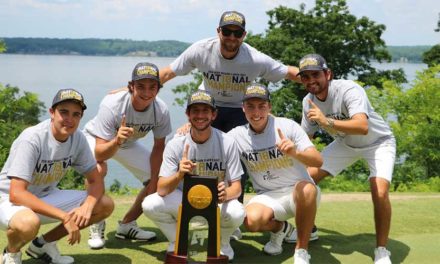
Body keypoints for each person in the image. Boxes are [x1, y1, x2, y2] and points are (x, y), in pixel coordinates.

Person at [161, 11, 302, 239]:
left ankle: (233, 220)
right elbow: (168, 72)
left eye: (237, 33)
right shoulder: (201, 50)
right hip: (208, 106)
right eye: (227, 31)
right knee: (195, 155)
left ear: (244, 35)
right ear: (219, 32)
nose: (231, 37)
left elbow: (288, 72)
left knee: (237, 165)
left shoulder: (254, 58)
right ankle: (197, 209)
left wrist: (321, 81)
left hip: (239, 109)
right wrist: (134, 89)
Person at [298, 54, 396, 264]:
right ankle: (309, 231)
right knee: (304, 180)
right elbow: (306, 140)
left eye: (315, 74)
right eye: (305, 76)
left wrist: (327, 122)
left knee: (379, 190)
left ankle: (381, 250)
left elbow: (362, 126)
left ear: (328, 74)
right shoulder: (308, 102)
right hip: (345, 144)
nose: (310, 80)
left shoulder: (349, 89)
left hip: (379, 142)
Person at [0, 89, 114, 264]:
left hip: (44, 195)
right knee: (28, 223)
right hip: (7, 200)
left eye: (76, 114)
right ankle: (11, 253)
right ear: (52, 113)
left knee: (103, 204)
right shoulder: (32, 138)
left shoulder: (78, 138)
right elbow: (17, 194)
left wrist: (88, 206)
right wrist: (65, 216)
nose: (70, 119)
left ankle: (43, 244)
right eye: (64, 112)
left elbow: (95, 178)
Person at [142, 90, 245, 261]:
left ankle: (222, 242)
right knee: (150, 204)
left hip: (215, 201)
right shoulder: (175, 144)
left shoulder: (227, 142)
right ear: (187, 114)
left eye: (205, 111)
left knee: (236, 212)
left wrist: (226, 193)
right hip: (184, 200)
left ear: (214, 114)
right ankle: (178, 240)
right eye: (195, 110)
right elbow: (161, 189)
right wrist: (179, 174)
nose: (200, 115)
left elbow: (237, 187)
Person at [228, 84, 322, 264]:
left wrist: (296, 153)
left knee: (308, 188)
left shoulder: (287, 126)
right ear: (243, 108)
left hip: (298, 193)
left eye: (261, 106)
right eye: (250, 106)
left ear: (269, 106)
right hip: (267, 196)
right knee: (251, 222)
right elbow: (214, 141)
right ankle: (282, 229)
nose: (256, 112)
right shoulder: (237, 135)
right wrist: (190, 127)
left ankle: (301, 251)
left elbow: (318, 160)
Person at [83, 62, 172, 249]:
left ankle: (127, 225)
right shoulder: (112, 104)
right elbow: (99, 152)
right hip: (97, 139)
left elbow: (159, 148)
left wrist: (155, 180)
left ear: (158, 88)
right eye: (140, 86)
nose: (146, 92)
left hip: (127, 142)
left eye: (152, 87)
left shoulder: (161, 110)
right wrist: (116, 141)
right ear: (131, 86)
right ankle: (96, 222)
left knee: (156, 178)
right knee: (98, 168)